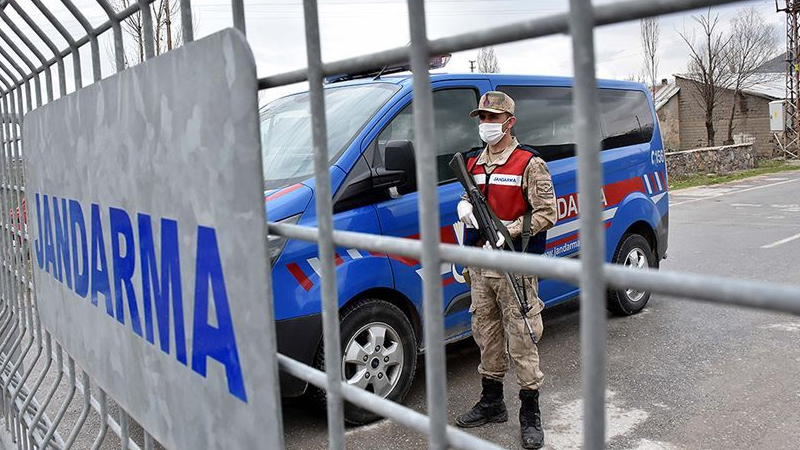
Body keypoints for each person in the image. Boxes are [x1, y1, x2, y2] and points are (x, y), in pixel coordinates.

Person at [454, 91, 557, 449]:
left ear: (509, 122)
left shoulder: (529, 163)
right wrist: (465, 205)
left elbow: (548, 213)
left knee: (522, 337)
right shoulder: (473, 164)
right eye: (481, 118)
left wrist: (509, 231)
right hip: (481, 266)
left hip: (514, 264)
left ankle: (530, 413)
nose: (486, 125)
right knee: (485, 331)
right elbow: (474, 197)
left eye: (492, 118)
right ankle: (492, 402)